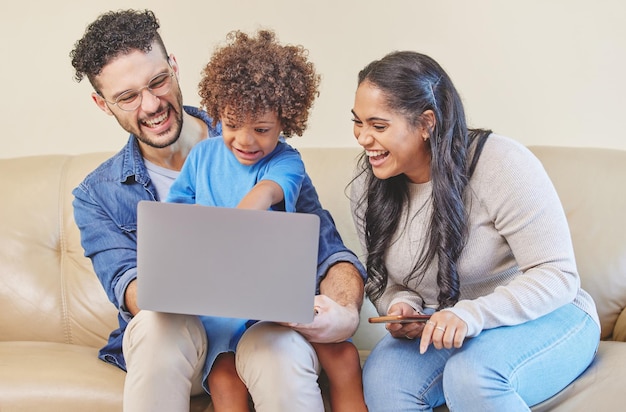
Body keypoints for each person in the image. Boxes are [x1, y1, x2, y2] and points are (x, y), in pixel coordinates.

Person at [69, 9, 366, 412]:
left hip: (261, 324)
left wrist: (344, 313)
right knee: (158, 323)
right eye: (127, 96)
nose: (152, 104)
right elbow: (132, 287)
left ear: (174, 68)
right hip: (178, 341)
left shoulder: (263, 143)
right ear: (102, 104)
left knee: (275, 350)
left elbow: (327, 249)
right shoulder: (96, 194)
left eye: (157, 81)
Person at [348, 50, 600, 411]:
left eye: (378, 125)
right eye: (357, 122)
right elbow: (385, 281)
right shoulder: (368, 187)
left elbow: (557, 275)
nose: (363, 138)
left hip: (547, 315)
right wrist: (402, 306)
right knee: (384, 382)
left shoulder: (500, 163)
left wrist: (471, 315)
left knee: (471, 376)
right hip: (446, 323)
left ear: (426, 123)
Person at [166, 29, 367, 412]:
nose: (245, 140)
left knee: (318, 341)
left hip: (273, 296)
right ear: (216, 113)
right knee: (224, 382)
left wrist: (223, 234)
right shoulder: (202, 157)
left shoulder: (286, 162)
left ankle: (343, 372)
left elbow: (265, 195)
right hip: (218, 305)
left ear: (285, 122)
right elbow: (176, 216)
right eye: (231, 124)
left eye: (261, 130)